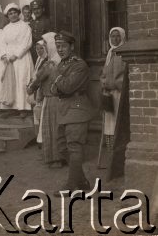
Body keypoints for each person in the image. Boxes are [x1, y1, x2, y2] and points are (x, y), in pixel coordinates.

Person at [51, 31, 95, 194]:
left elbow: (68, 87)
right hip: (64, 110)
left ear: (72, 46)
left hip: (77, 109)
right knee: (62, 148)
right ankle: (81, 180)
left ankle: (70, 185)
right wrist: (59, 81)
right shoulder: (62, 65)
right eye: (57, 46)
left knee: (74, 147)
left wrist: (56, 77)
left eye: (63, 46)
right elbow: (54, 89)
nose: (60, 49)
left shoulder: (79, 65)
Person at [27, 34, 63, 168]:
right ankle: (60, 157)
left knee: (51, 129)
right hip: (61, 99)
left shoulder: (50, 64)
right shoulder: (62, 60)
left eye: (47, 45)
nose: (46, 47)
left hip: (51, 100)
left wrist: (30, 89)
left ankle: (55, 159)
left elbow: (37, 80)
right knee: (58, 129)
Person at [0, 3, 34, 119]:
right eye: (10, 13)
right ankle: (11, 107)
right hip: (9, 59)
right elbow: (2, 44)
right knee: (10, 81)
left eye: (14, 12)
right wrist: (4, 55)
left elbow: (27, 43)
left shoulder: (25, 26)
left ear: (18, 13)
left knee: (21, 80)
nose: (13, 15)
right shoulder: (6, 28)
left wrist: (17, 55)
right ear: (7, 16)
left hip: (21, 58)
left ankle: (23, 107)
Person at [99, 27, 127, 168]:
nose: (115, 39)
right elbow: (105, 72)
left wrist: (112, 83)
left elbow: (122, 75)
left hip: (119, 93)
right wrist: (103, 83)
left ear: (122, 37)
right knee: (109, 121)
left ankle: (119, 154)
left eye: (117, 36)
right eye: (112, 36)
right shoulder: (110, 52)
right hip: (109, 93)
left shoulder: (123, 52)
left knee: (118, 121)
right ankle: (110, 152)